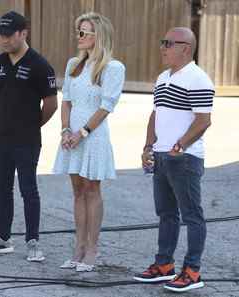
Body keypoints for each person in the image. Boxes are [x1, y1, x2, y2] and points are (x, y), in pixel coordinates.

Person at [133, 27, 214, 292]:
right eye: (162, 41)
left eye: (168, 43)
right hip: (161, 155)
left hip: (185, 158)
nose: (162, 47)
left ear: (185, 48)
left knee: (192, 215)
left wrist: (180, 146)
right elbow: (155, 115)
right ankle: (164, 266)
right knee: (166, 213)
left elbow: (203, 121)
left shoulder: (198, 79)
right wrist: (148, 146)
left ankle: (192, 271)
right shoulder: (163, 77)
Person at [0, 11, 58, 262]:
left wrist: (31, 126)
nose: (4, 40)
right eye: (1, 35)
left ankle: (33, 242)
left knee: (29, 190)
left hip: (27, 141)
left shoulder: (40, 65)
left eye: (9, 35)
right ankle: (2, 238)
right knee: (3, 189)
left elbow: (51, 104)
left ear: (23, 33)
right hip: (0, 139)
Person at [53, 12, 125, 272]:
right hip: (71, 136)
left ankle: (92, 249)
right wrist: (64, 130)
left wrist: (81, 133)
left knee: (92, 190)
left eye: (84, 32)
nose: (79, 36)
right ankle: (79, 248)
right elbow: (66, 101)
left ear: (99, 36)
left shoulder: (112, 67)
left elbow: (106, 107)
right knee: (77, 192)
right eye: (78, 31)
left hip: (91, 136)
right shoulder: (74, 63)